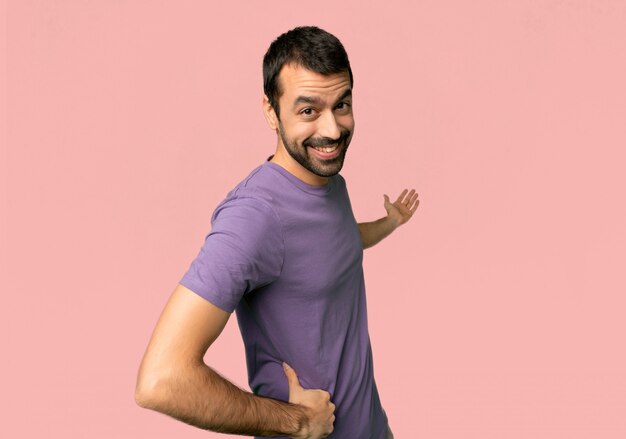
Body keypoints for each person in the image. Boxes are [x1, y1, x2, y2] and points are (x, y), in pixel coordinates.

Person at [135, 26, 419, 439]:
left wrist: (390, 223)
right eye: (308, 111)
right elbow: (160, 380)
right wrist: (297, 421)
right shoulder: (255, 217)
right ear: (271, 111)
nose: (333, 130)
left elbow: (338, 242)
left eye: (342, 105)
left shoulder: (330, 183)